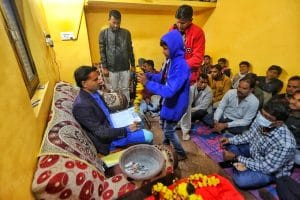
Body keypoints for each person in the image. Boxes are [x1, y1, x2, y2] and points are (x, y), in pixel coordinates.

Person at [72, 66, 153, 156]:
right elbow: (101, 133)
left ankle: (141, 153)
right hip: (109, 141)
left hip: (112, 124)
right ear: (84, 83)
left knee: (138, 119)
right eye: (95, 80)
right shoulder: (81, 106)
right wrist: (127, 129)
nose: (99, 81)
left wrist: (121, 115)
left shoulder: (94, 92)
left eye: (98, 78)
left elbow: (105, 111)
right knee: (149, 135)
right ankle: (146, 157)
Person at [137, 30, 190, 160]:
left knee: (169, 130)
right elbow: (162, 77)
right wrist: (148, 75)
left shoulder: (181, 66)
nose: (163, 51)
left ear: (175, 47)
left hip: (177, 103)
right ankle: (166, 145)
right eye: (163, 48)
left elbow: (170, 90)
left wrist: (147, 83)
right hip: (169, 102)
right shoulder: (170, 61)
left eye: (166, 48)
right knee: (164, 124)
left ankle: (181, 153)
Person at [219, 100, 296, 189]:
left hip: (270, 170)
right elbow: (249, 135)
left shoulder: (285, 143)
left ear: (279, 123)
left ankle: (238, 164)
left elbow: (266, 168)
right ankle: (240, 165)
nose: (262, 118)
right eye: (262, 113)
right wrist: (230, 140)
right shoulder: (261, 120)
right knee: (227, 137)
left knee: (241, 181)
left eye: (267, 117)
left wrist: (236, 157)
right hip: (255, 153)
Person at [99, 10, 135, 103]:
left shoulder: (126, 33)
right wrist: (105, 67)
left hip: (125, 67)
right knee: (114, 89)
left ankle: (126, 107)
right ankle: (116, 108)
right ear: (109, 20)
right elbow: (102, 51)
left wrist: (133, 64)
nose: (116, 25)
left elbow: (130, 49)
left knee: (125, 88)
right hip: (111, 68)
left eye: (118, 23)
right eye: (114, 22)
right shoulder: (103, 33)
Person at [171, 4, 205, 85]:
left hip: (189, 77)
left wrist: (180, 66)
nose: (179, 25)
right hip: (174, 74)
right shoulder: (172, 29)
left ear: (191, 20)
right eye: (178, 22)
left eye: (183, 23)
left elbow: (197, 58)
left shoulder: (198, 32)